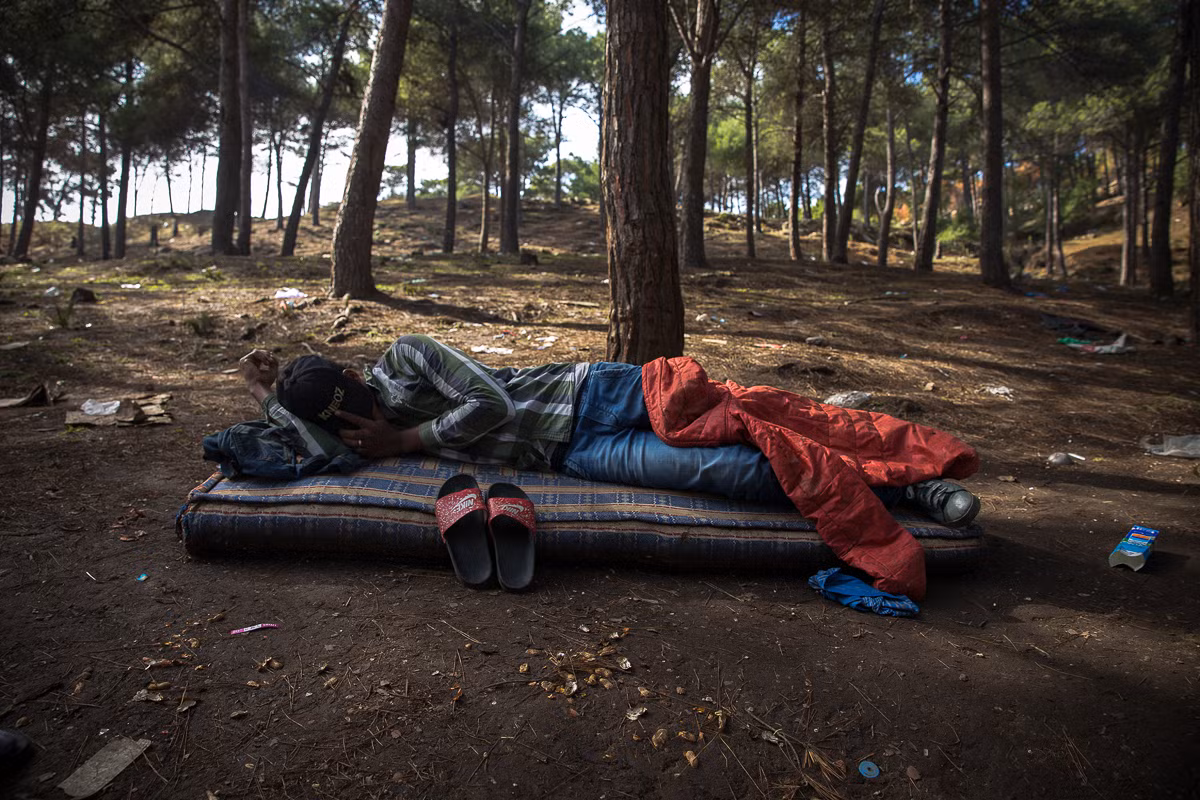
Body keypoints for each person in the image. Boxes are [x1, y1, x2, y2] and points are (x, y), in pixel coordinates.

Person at [237, 335, 980, 526]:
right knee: (723, 473)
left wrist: (404, 441)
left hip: (595, 393)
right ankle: (888, 499)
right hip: (575, 452)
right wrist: (265, 390)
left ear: (358, 380)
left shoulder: (407, 356)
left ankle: (917, 481)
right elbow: (308, 437)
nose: (358, 425)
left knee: (756, 418)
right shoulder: (338, 425)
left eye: (354, 407)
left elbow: (490, 401)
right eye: (342, 423)